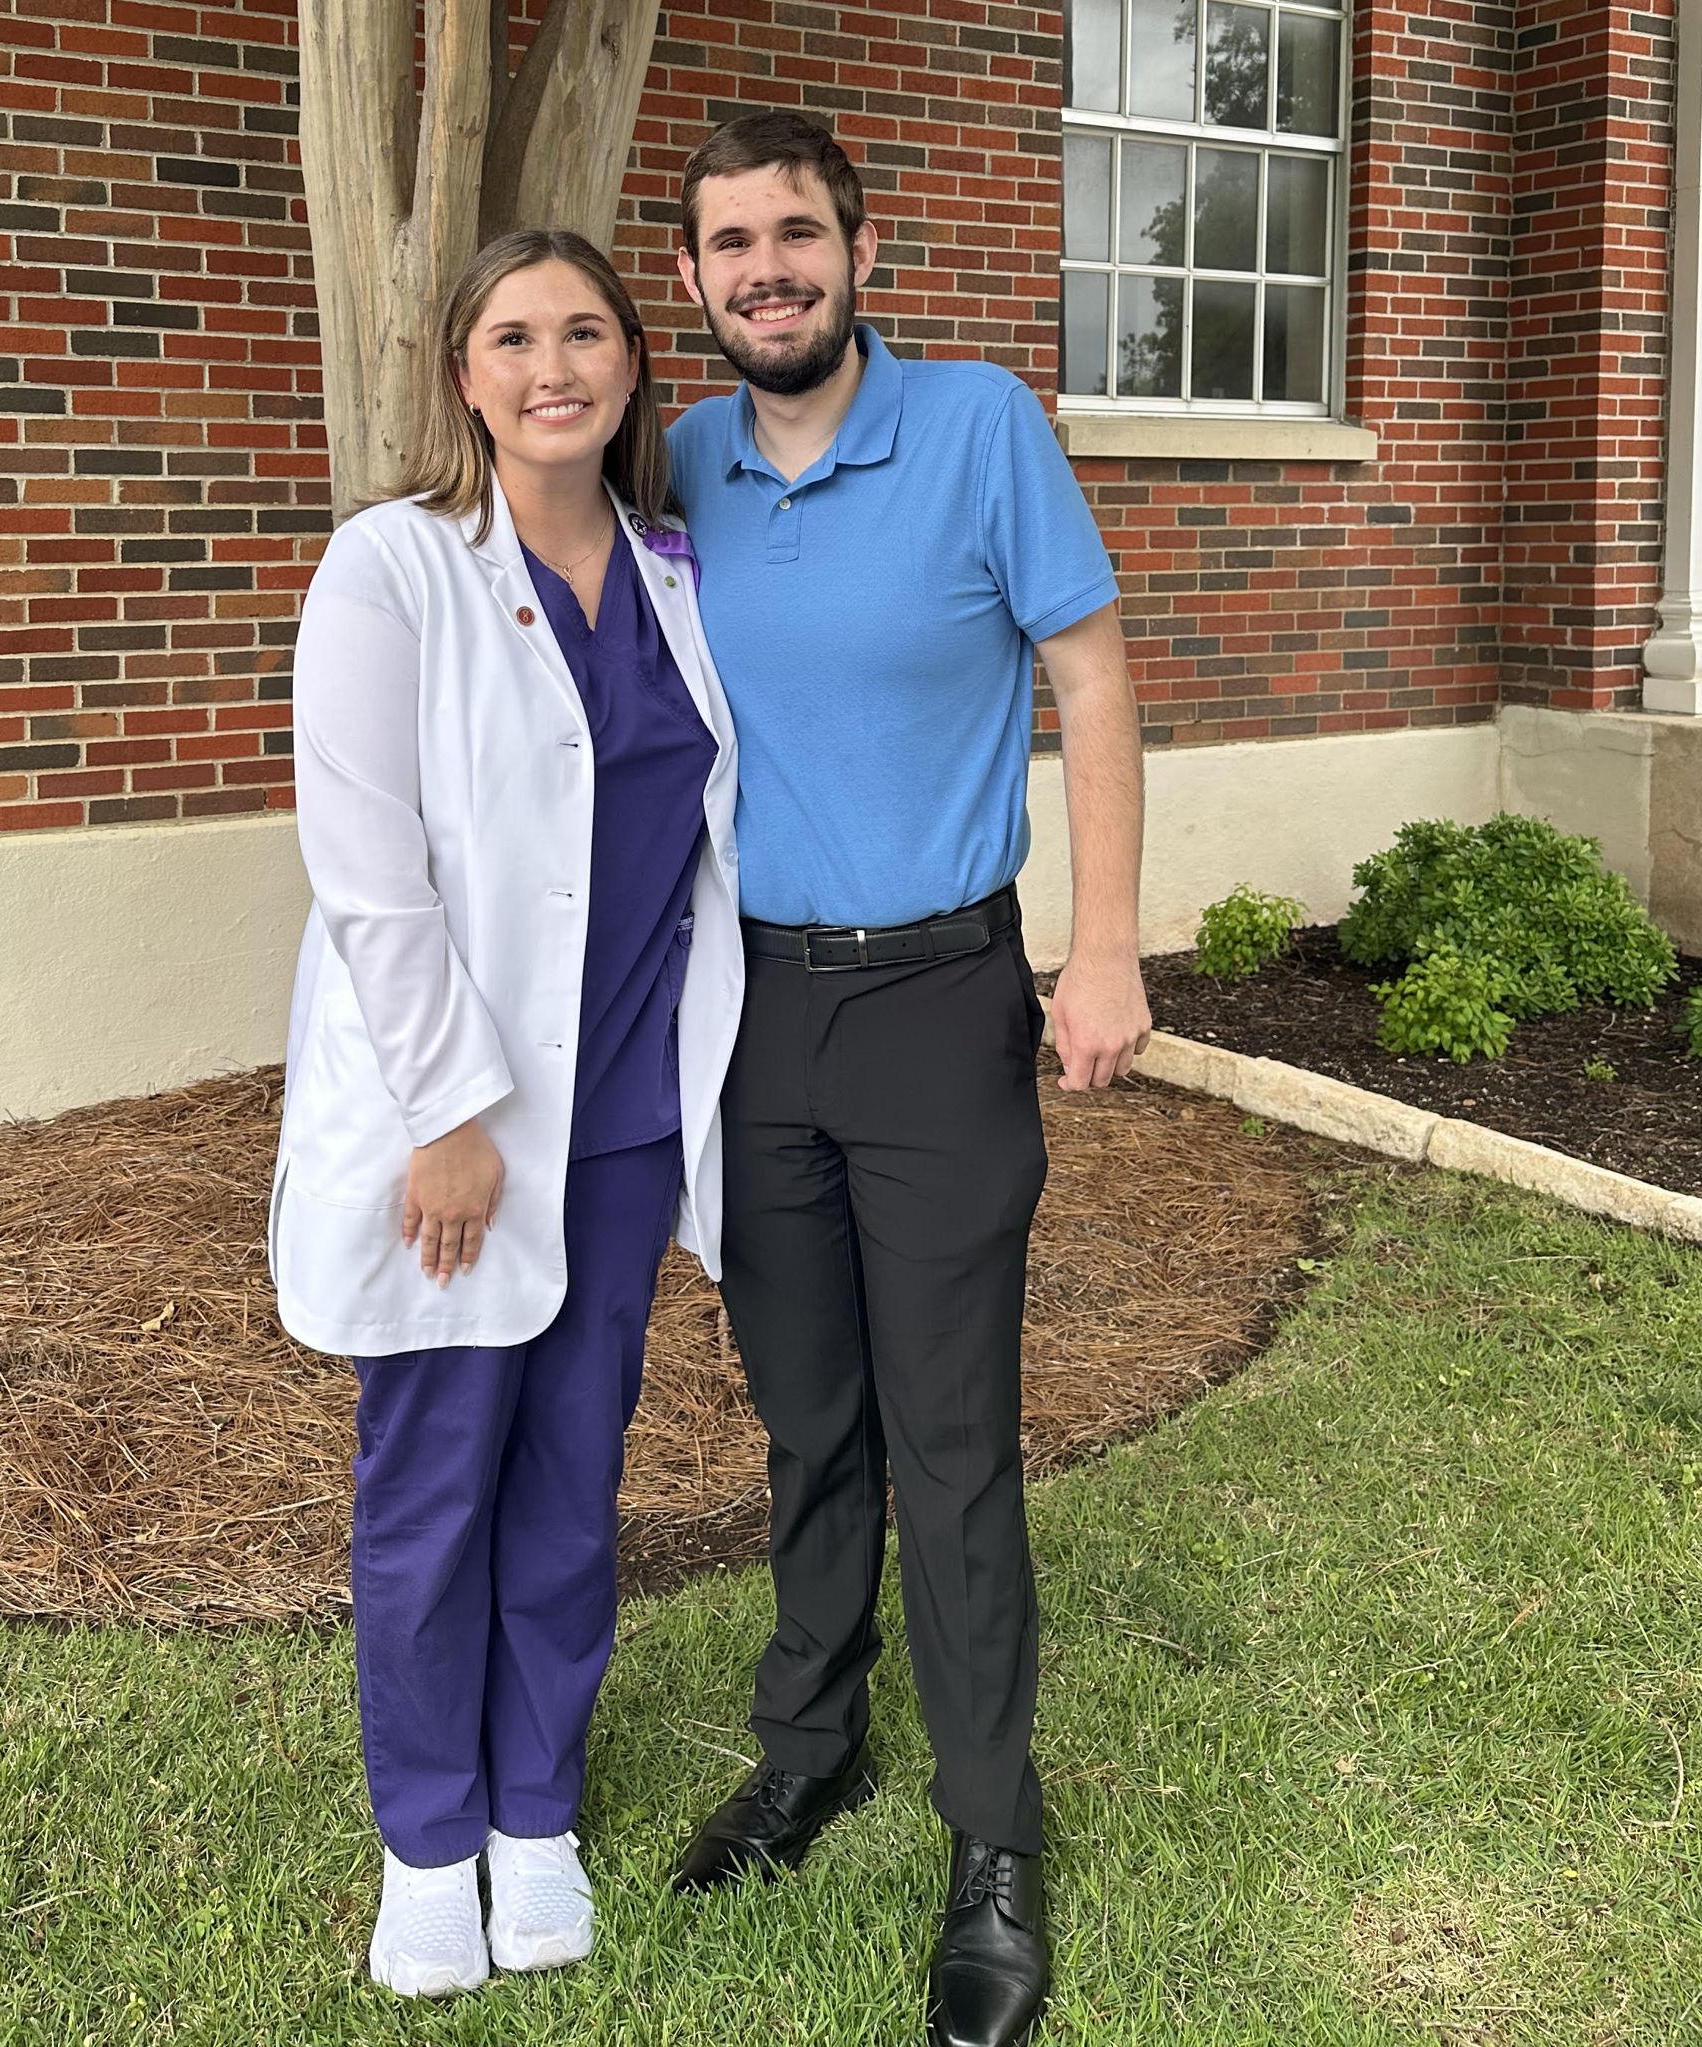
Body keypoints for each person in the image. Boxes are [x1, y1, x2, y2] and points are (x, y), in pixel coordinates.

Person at [661, 111, 1152, 2047]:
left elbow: (1092, 677)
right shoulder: (678, 461)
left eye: (794, 232)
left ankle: (992, 1837)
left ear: (857, 247)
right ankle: (810, 1750)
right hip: (752, 1010)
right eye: (729, 244)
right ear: (692, 278)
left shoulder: (977, 425)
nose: (765, 270)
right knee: (809, 1421)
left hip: (944, 995)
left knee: (949, 1440)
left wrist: (1101, 946)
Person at [267, 228, 743, 1999]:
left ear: (631, 365)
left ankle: (535, 1814)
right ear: (464, 376)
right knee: (433, 1485)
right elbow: (364, 863)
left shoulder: (676, 571)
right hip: (456, 1124)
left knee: (569, 1484)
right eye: (516, 338)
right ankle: (427, 1844)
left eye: (588, 333)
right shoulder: (394, 564)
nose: (556, 367)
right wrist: (452, 1108)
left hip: (621, 1120)